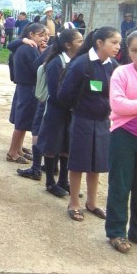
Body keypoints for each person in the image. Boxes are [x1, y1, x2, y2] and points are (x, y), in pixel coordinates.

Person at [58, 27, 121, 222]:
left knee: (97, 163)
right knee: (78, 162)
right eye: (114, 42)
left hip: (103, 122)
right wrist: (80, 108)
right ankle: (74, 202)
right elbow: (64, 95)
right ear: (99, 43)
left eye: (119, 43)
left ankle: (92, 203)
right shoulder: (81, 64)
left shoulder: (113, 65)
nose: (118, 47)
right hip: (82, 120)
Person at [106, 29, 137, 253]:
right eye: (135, 50)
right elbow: (117, 106)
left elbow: (126, 106)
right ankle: (117, 232)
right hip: (123, 135)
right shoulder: (121, 73)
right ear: (128, 52)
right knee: (120, 185)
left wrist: (134, 107)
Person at [36, 28, 84, 197]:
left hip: (70, 112)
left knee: (66, 146)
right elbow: (55, 92)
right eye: (79, 41)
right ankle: (50, 182)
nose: (82, 44)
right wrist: (71, 103)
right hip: (56, 111)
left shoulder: (76, 61)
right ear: (67, 45)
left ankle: (64, 181)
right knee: (52, 145)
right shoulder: (56, 62)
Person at [6, 23, 48, 164]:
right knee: (22, 121)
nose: (44, 39)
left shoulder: (26, 46)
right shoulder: (28, 48)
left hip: (24, 87)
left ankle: (18, 149)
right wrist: (45, 55)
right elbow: (36, 68)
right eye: (40, 35)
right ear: (31, 35)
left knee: (23, 121)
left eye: (45, 36)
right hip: (28, 88)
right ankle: (12, 152)